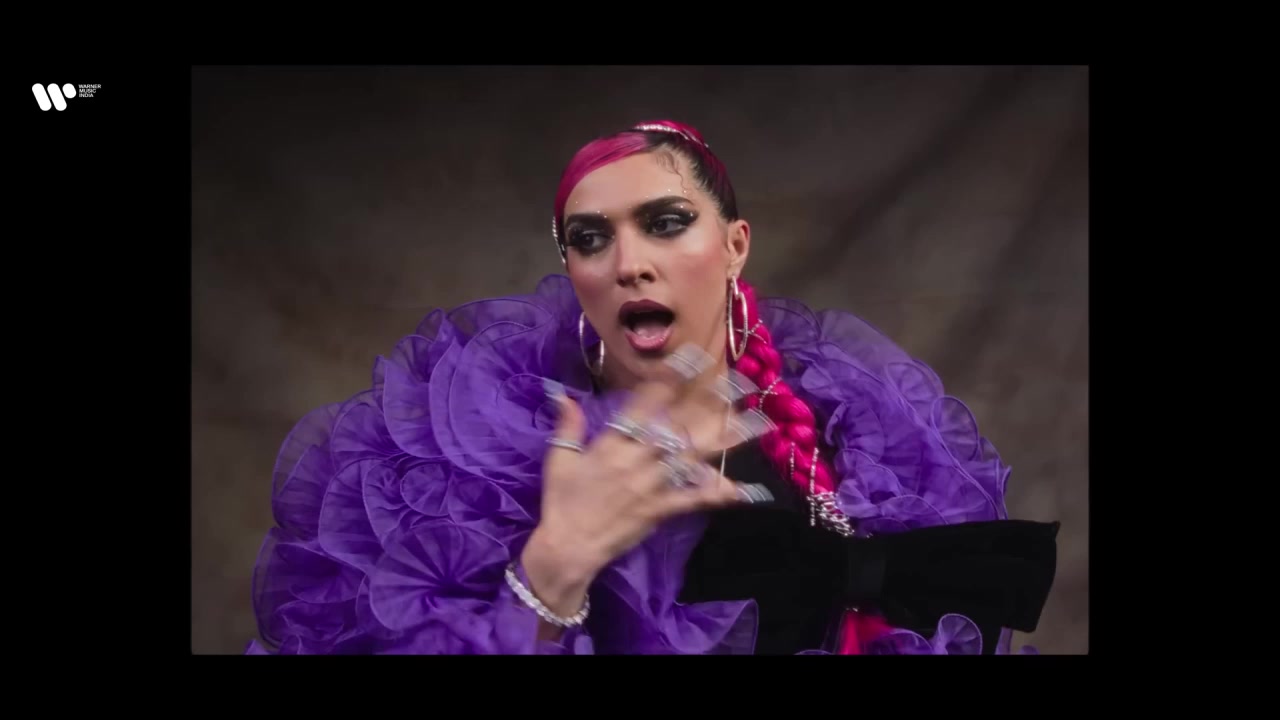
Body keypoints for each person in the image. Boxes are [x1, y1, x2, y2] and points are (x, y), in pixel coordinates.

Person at [245, 120, 1059, 655]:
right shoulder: (485, 454)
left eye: (666, 222)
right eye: (590, 238)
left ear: (734, 245)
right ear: (572, 268)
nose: (628, 262)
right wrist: (551, 573)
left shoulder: (856, 427)